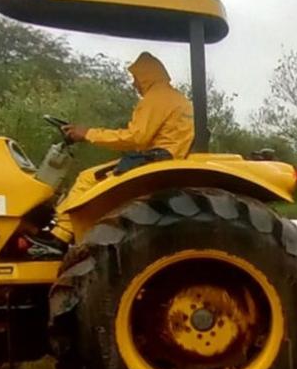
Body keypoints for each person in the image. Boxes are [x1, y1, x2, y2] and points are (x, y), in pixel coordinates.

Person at [50, 52, 194, 243]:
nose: (134, 84)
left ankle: (60, 237)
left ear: (146, 76)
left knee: (86, 179)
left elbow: (135, 137)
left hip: (156, 159)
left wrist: (88, 134)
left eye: (136, 78)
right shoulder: (177, 98)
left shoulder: (156, 98)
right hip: (167, 157)